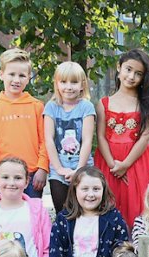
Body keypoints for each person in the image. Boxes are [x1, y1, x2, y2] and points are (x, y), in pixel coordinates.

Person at [93, 49, 149, 227]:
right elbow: (100, 135)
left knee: (136, 207)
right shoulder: (103, 103)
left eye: (138, 74)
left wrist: (126, 164)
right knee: (108, 204)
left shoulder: (147, 103)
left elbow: (145, 137)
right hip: (108, 162)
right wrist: (113, 165)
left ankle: (137, 249)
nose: (131, 76)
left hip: (136, 162)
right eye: (128, 69)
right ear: (119, 68)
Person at [49, 166, 129, 257]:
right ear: (75, 190)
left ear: (103, 190)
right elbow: (56, 254)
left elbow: (121, 250)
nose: (91, 194)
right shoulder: (64, 219)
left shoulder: (113, 218)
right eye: (85, 189)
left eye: (96, 189)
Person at [0, 48, 48, 197]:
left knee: (32, 217)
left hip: (32, 176)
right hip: (5, 177)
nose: (16, 80)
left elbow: (45, 141)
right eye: (12, 74)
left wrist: (43, 168)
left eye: (22, 75)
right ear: (1, 74)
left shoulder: (36, 106)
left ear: (29, 77)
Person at [43, 61, 96, 213]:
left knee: (84, 211)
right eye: (64, 82)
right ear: (57, 84)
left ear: (82, 85)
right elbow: (49, 140)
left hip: (83, 166)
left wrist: (79, 169)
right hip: (58, 168)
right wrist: (59, 169)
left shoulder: (86, 107)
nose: (69, 87)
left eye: (74, 82)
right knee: (63, 212)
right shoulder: (51, 107)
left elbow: (87, 140)